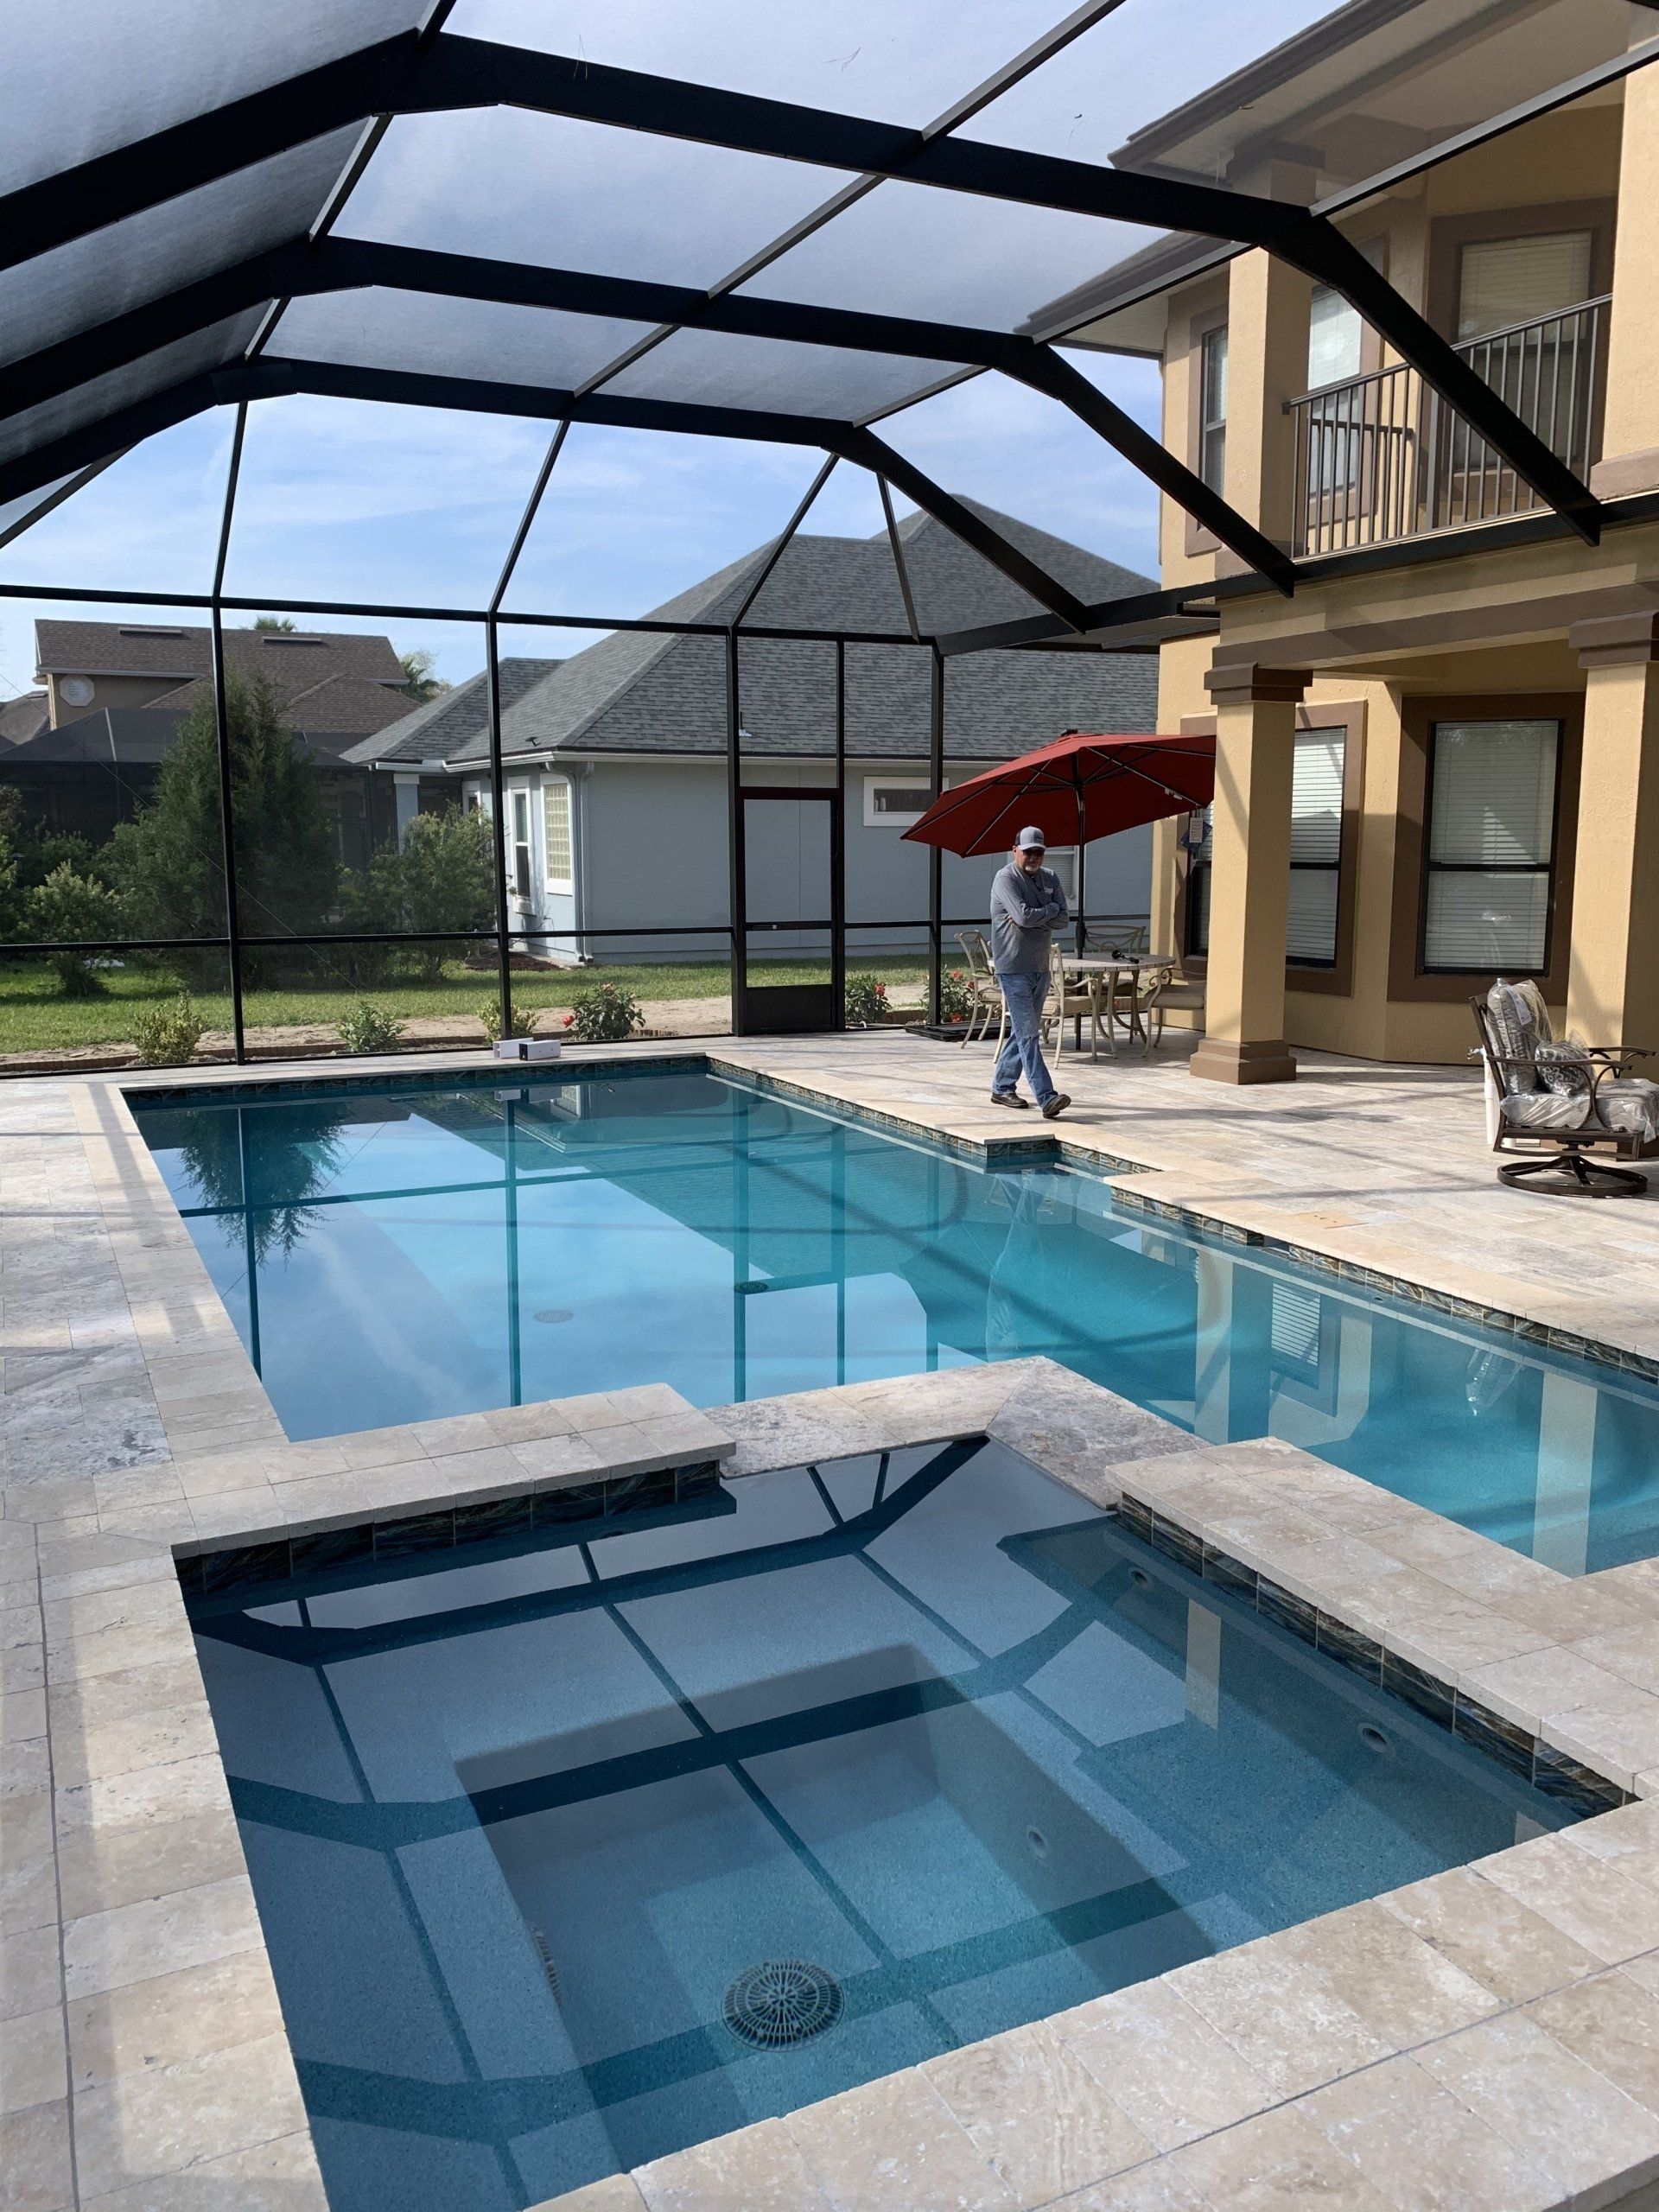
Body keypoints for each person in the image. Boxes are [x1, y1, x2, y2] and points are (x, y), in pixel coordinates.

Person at [988, 825, 1071, 1119]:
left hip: (1040, 967)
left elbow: (1064, 918)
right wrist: (1047, 911)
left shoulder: (1051, 878)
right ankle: (1046, 1097)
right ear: (1015, 851)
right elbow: (1024, 916)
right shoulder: (1006, 878)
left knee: (1024, 1034)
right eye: (1028, 852)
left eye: (1039, 852)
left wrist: (1039, 913)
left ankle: (1001, 1086)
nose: (1033, 857)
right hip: (1013, 968)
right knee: (1029, 1035)